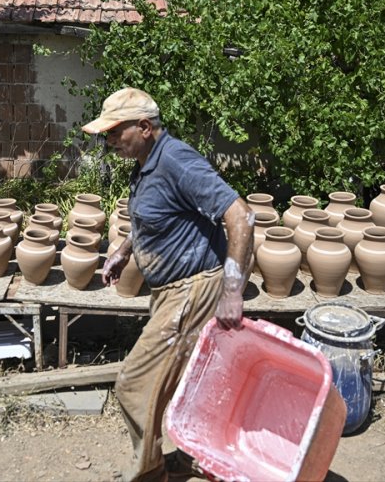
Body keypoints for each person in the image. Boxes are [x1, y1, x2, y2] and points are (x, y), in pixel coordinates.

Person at [82, 87, 254, 482]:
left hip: (194, 288)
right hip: (170, 291)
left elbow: (241, 216)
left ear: (144, 127)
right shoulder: (145, 162)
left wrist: (232, 291)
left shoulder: (177, 160)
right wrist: (124, 250)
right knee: (181, 384)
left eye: (113, 132)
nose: (108, 141)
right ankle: (195, 457)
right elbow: (153, 216)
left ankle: (150, 473)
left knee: (134, 385)